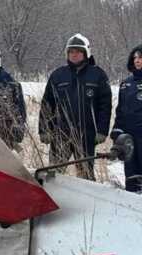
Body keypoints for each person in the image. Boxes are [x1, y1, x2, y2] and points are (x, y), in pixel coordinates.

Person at [39, 34, 112, 180]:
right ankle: (51, 200)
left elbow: (105, 106)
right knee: (52, 175)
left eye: (78, 51)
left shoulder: (98, 75)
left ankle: (87, 201)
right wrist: (44, 130)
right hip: (60, 135)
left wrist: (102, 131)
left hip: (87, 135)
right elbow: (47, 104)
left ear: (86, 53)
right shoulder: (58, 75)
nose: (74, 54)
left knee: (86, 175)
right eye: (71, 51)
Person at [111, 45, 142, 192]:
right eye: (135, 57)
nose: (137, 60)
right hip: (130, 138)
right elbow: (121, 111)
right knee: (132, 177)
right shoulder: (126, 84)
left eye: (141, 57)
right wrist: (117, 133)